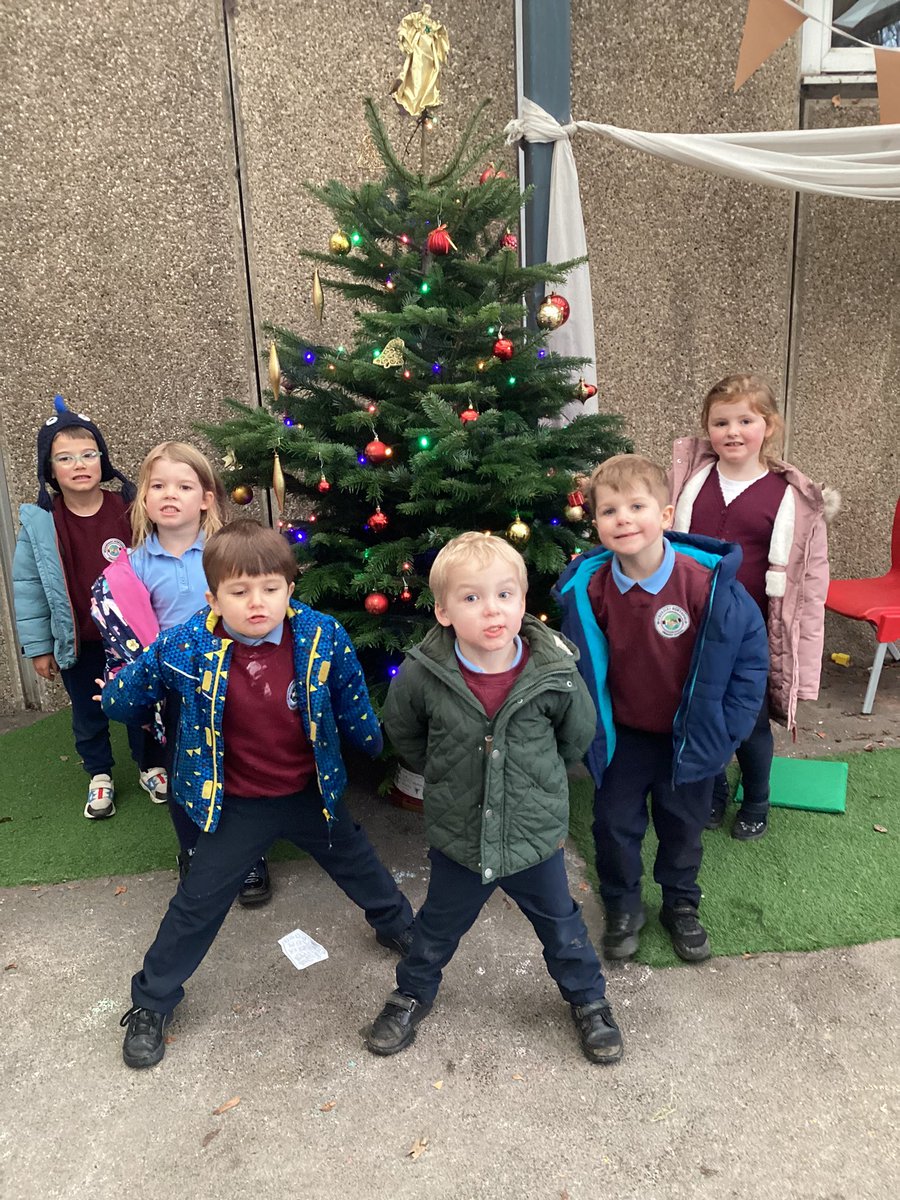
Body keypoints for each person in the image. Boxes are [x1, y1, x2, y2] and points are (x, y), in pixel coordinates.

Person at [100, 520, 414, 1069]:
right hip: (234, 805)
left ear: (290, 589)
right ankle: (152, 1000)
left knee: (360, 864)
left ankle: (399, 928)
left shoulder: (321, 635)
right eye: (239, 592)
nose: (257, 602)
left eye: (270, 588)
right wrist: (117, 695)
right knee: (197, 902)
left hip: (310, 793)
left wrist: (371, 738)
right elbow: (132, 692)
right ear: (213, 597)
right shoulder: (188, 643)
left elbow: (349, 694)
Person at [367, 532, 623, 1065]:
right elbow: (406, 734)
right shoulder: (423, 673)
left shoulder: (554, 670)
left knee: (562, 925)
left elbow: (576, 737)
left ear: (524, 602)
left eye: (505, 595)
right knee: (436, 925)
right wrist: (444, 771)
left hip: (533, 835)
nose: (492, 610)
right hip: (460, 835)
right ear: (442, 611)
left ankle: (589, 1000)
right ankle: (411, 992)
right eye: (471, 598)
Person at [555, 454, 768, 963]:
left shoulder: (703, 585)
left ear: (666, 515)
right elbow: (576, 668)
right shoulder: (591, 589)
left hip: (688, 739)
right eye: (608, 511)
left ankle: (680, 904)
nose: (623, 519)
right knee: (612, 826)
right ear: (595, 522)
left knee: (682, 827)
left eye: (636, 506)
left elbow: (749, 660)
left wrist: (725, 732)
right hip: (622, 737)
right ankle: (625, 905)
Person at [91, 442, 269, 905]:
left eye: (185, 486)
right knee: (184, 774)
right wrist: (119, 683)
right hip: (175, 693)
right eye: (159, 485)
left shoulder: (227, 554)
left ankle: (249, 857)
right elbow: (124, 641)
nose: (171, 494)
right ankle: (193, 851)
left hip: (235, 686)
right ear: (144, 499)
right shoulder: (130, 569)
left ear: (206, 498)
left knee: (239, 771)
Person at [670, 374, 835, 840]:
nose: (733, 431)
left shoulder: (791, 499)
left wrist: (802, 641)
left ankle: (757, 798)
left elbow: (809, 580)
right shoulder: (688, 482)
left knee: (749, 721)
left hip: (754, 635)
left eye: (746, 420)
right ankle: (715, 789)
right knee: (699, 711)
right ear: (707, 427)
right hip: (691, 625)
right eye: (721, 422)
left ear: (770, 426)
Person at [12, 394, 164, 819]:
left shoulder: (132, 510)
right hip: (81, 637)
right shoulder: (41, 525)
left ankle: (151, 766)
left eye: (88, 454)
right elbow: (28, 588)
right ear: (50, 471)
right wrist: (40, 647)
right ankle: (99, 773)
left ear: (103, 460)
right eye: (65, 458)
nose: (79, 464)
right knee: (88, 709)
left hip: (134, 640)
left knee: (143, 703)